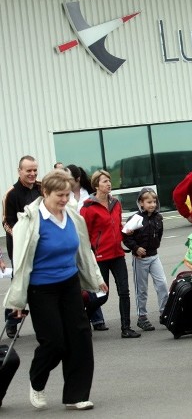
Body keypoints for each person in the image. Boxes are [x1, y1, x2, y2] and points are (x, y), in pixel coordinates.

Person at [4, 169, 108, 410]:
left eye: (67, 194)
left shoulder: (72, 215)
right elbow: (20, 266)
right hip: (41, 289)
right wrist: (17, 302)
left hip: (69, 283)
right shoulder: (28, 222)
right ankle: (37, 382)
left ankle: (76, 395)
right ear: (45, 192)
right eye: (59, 195)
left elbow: (84, 249)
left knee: (80, 337)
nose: (64, 200)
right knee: (54, 342)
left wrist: (95, 277)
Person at [81, 170, 140, 338]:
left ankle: (126, 328)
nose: (108, 183)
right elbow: (83, 233)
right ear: (96, 185)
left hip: (117, 254)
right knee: (102, 296)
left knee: (124, 292)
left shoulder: (116, 203)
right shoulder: (88, 207)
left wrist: (126, 230)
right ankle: (82, 319)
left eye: (109, 181)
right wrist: (88, 254)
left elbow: (115, 225)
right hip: (100, 256)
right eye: (104, 181)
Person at [2, 155, 41, 338]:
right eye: (28, 170)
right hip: (19, 248)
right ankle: (11, 322)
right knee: (19, 286)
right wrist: (21, 236)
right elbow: (6, 222)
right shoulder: (11, 194)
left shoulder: (42, 188)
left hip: (41, 246)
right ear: (20, 171)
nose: (32, 174)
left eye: (35, 170)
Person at [67, 164, 108, 331]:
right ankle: (79, 320)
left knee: (91, 278)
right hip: (71, 241)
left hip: (86, 241)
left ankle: (97, 319)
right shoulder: (64, 195)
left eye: (68, 177)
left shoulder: (87, 194)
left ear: (76, 179)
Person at [122, 188, 169, 332]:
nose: (152, 204)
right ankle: (142, 316)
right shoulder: (135, 219)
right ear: (141, 203)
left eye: (154, 201)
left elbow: (159, 234)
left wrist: (154, 247)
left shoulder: (158, 218)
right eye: (149, 202)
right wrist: (135, 248)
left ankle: (164, 313)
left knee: (162, 284)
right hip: (140, 259)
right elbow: (125, 236)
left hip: (154, 256)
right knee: (141, 289)